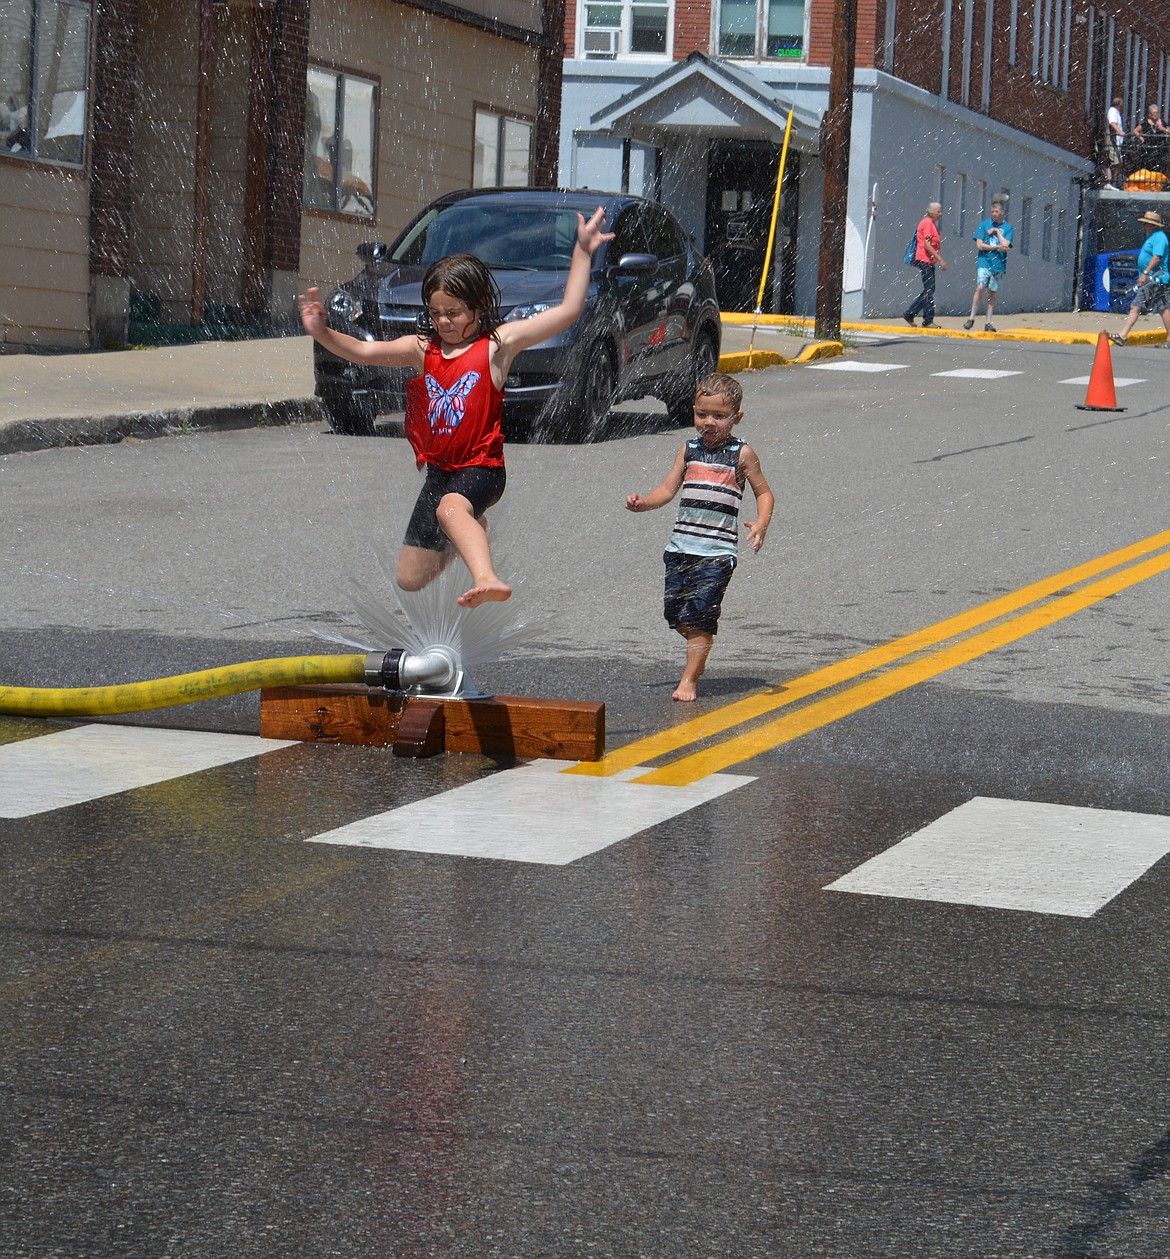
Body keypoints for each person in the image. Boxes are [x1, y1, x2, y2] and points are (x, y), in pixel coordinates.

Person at [299, 206, 614, 608]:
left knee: (451, 509)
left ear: (479, 307)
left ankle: (487, 578)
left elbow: (568, 311)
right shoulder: (422, 349)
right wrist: (322, 331)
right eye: (435, 313)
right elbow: (364, 351)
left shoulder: (497, 347)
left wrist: (582, 253)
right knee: (409, 578)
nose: (444, 321)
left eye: (454, 313)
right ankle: (470, 528)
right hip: (439, 474)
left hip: (481, 470)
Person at [625, 372, 774, 702]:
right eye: (702, 414)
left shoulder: (742, 454)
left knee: (699, 616)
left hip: (717, 554)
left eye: (719, 416)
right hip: (680, 548)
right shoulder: (688, 449)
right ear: (693, 411)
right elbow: (667, 489)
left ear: (737, 417)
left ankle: (689, 679)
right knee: (675, 615)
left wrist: (761, 524)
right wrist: (643, 503)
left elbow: (764, 493)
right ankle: (700, 644)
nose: (709, 422)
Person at [1108, 210, 1170, 347]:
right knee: (1160, 308)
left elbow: (1156, 257)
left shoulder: (1159, 237)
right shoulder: (1152, 237)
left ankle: (1123, 336)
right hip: (1152, 278)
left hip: (1156, 278)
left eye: (1146, 224)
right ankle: (1123, 336)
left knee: (1141, 306)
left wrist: (1145, 273)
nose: (1144, 226)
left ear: (1153, 225)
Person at [963, 199, 1013, 332]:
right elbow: (979, 244)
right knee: (980, 287)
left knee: (992, 292)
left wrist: (997, 232)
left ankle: (988, 322)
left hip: (999, 265)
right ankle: (971, 318)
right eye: (992, 212)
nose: (994, 214)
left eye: (997, 212)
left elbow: (1006, 245)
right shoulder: (984, 225)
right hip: (984, 262)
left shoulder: (1008, 228)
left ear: (1002, 212)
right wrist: (996, 246)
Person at [903, 202, 947, 328]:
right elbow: (927, 245)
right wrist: (941, 260)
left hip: (928, 260)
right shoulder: (927, 223)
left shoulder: (930, 224)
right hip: (925, 259)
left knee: (929, 290)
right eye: (938, 211)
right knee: (929, 290)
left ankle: (911, 313)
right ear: (931, 212)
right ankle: (927, 320)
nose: (940, 213)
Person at [1103, 96, 1126, 189]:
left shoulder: (1115, 112)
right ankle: (1110, 182)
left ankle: (1110, 182)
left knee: (1112, 162)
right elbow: (1112, 123)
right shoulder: (1112, 111)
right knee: (1116, 162)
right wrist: (1119, 131)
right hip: (1112, 142)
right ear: (1119, 105)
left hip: (1115, 142)